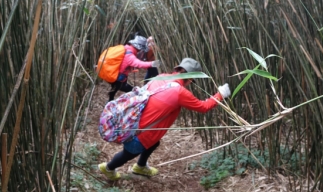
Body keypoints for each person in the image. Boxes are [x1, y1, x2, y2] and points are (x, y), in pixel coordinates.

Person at [98, 57, 230, 179]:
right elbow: (203, 107)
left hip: (135, 124)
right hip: (141, 133)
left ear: (177, 69)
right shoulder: (180, 92)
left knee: (155, 142)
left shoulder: (160, 77)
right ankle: (108, 168)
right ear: (190, 78)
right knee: (128, 154)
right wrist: (220, 95)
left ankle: (140, 167)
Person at [108, 35, 160, 101]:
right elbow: (138, 63)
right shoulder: (130, 55)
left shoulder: (127, 48)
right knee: (132, 91)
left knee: (115, 88)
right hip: (118, 76)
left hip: (114, 74)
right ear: (138, 48)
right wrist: (152, 63)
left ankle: (110, 100)